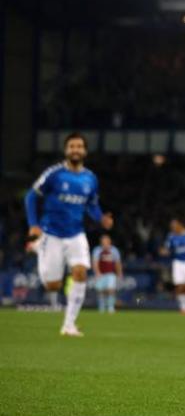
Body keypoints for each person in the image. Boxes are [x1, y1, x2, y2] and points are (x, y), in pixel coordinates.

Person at [24, 132, 113, 337]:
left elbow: (92, 205)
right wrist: (33, 225)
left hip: (76, 234)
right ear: (66, 150)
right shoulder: (54, 174)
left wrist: (101, 219)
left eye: (79, 146)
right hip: (51, 234)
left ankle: (69, 325)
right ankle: (38, 247)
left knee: (80, 272)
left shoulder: (90, 178)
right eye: (72, 146)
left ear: (85, 151)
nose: (75, 150)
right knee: (53, 285)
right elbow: (31, 196)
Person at [92, 234, 123, 314]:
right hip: (101, 274)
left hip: (111, 274)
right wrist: (97, 272)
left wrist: (119, 273)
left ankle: (110, 308)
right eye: (103, 241)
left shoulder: (114, 250)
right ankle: (101, 308)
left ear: (109, 242)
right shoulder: (97, 250)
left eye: (106, 241)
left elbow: (117, 263)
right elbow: (95, 262)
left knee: (111, 290)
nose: (105, 243)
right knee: (100, 291)